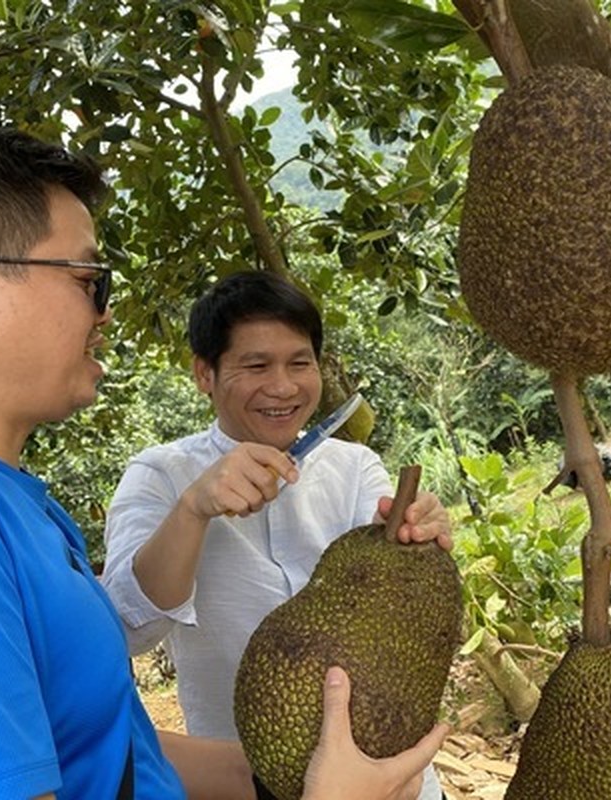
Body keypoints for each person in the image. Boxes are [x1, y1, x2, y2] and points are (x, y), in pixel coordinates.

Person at [0, 126, 447, 800]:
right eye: (88, 278)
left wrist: (275, 783)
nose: (107, 312)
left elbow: (106, 749)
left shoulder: (1, 502)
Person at [101, 271, 454, 800]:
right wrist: (194, 510)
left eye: (299, 362)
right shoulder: (160, 476)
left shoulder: (355, 467)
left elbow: (396, 589)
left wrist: (418, 527)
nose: (284, 387)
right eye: (256, 365)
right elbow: (128, 629)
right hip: (245, 783)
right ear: (205, 373)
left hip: (398, 784)